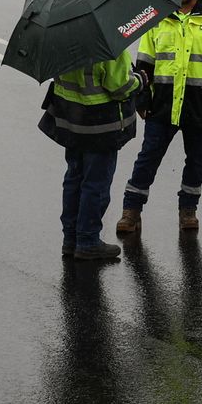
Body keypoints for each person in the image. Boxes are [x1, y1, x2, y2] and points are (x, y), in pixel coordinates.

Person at [116, 0, 202, 234]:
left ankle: (188, 211)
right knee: (148, 158)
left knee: (196, 161)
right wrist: (142, 100)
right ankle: (131, 211)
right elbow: (145, 62)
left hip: (198, 104)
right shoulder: (157, 16)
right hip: (163, 103)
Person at [39, 51, 142, 261]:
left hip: (71, 122)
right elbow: (120, 87)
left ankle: (70, 239)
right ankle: (88, 241)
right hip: (100, 126)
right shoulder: (107, 47)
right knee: (96, 185)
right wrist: (140, 80)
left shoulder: (61, 42)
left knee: (73, 179)